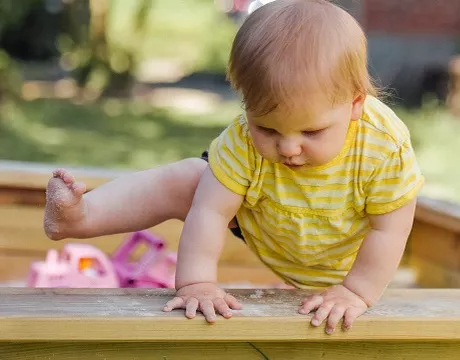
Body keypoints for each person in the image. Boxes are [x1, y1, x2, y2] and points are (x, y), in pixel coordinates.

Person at [41, 0, 424, 334]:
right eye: (267, 128)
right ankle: (81, 216)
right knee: (191, 179)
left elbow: (390, 228)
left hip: (345, 254)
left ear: (355, 104)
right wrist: (196, 283)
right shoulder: (241, 139)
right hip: (269, 219)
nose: (288, 147)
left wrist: (356, 291)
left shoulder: (382, 146)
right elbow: (210, 211)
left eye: (312, 130)